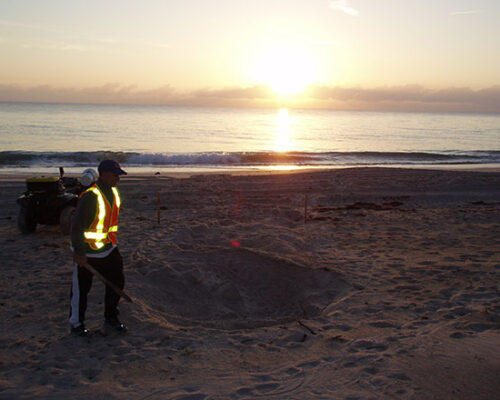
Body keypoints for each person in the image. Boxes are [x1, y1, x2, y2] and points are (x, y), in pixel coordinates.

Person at [69, 159, 128, 336]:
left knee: (117, 283)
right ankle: (76, 323)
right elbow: (76, 226)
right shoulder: (90, 196)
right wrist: (79, 252)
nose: (118, 178)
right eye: (115, 175)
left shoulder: (114, 193)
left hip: (108, 249)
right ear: (103, 175)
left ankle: (111, 317)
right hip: (87, 252)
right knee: (81, 290)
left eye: (119, 175)